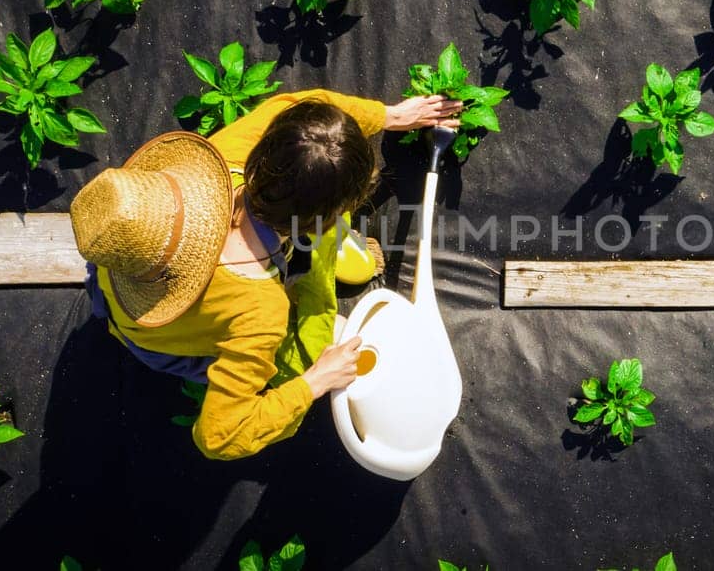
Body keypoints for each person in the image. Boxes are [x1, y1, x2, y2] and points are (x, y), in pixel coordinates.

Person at [69, 89, 463, 459]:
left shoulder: (229, 156)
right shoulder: (259, 311)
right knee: (322, 342)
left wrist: (389, 115)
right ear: (317, 222)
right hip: (156, 337)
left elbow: (305, 102)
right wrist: (315, 382)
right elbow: (219, 436)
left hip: (117, 276)